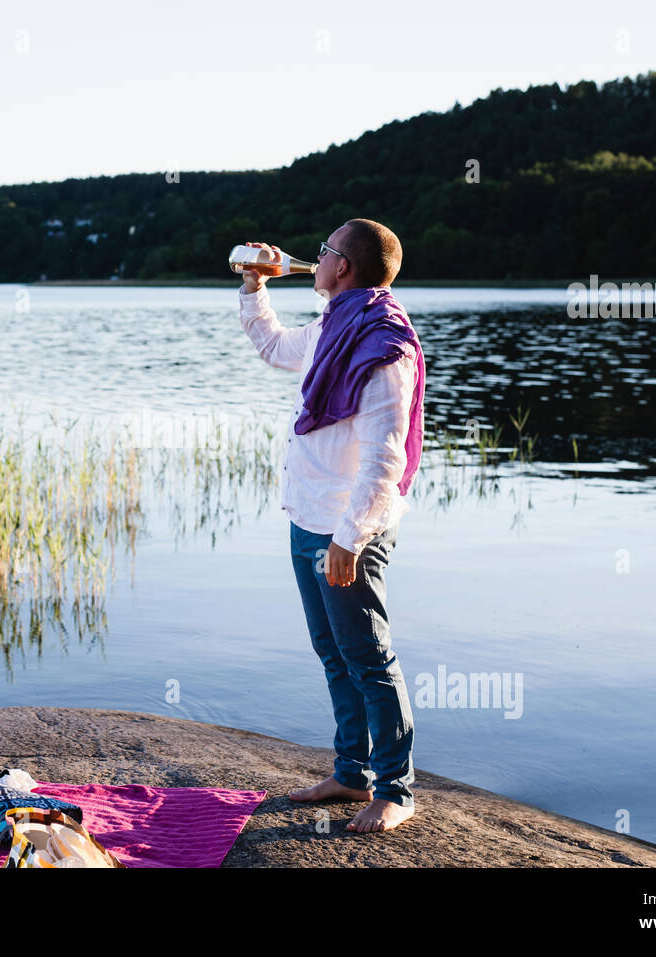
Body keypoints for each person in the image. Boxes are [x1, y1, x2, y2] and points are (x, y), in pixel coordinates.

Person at [237, 219, 425, 833]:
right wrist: (253, 288)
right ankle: (351, 774)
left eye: (323, 252)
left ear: (342, 267)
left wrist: (350, 540)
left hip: (349, 531)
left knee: (369, 657)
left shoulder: (381, 344)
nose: (314, 258)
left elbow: (384, 460)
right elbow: (273, 348)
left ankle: (395, 791)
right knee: (333, 652)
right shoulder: (332, 326)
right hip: (308, 517)